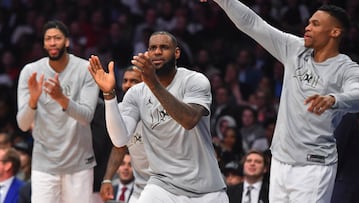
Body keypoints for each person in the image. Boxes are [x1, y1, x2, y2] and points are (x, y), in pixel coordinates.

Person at [209, 0, 359, 202]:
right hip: (280, 160)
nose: (307, 27)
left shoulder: (346, 68)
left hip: (314, 165)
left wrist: (335, 99)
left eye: (315, 24)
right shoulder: (294, 49)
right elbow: (252, 23)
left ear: (334, 32)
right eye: (308, 23)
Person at [88, 31, 228, 202]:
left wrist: (153, 83)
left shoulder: (194, 81)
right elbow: (120, 140)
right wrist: (108, 94)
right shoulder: (136, 94)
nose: (157, 52)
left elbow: (189, 120)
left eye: (164, 47)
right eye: (152, 48)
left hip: (207, 189)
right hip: (163, 186)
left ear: (177, 53)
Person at [16, 20, 99, 203]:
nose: (53, 43)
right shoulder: (30, 71)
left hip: (79, 163)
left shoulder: (85, 69)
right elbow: (22, 124)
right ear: (44, 44)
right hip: (44, 164)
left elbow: (86, 117)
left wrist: (61, 98)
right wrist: (33, 100)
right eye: (48, 39)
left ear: (67, 42)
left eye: (57, 38)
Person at [100, 65, 148, 203]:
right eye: (125, 80)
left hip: (166, 182)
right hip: (140, 183)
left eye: (134, 81)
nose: (128, 85)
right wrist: (108, 178)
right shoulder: (119, 109)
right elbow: (119, 146)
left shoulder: (156, 107)